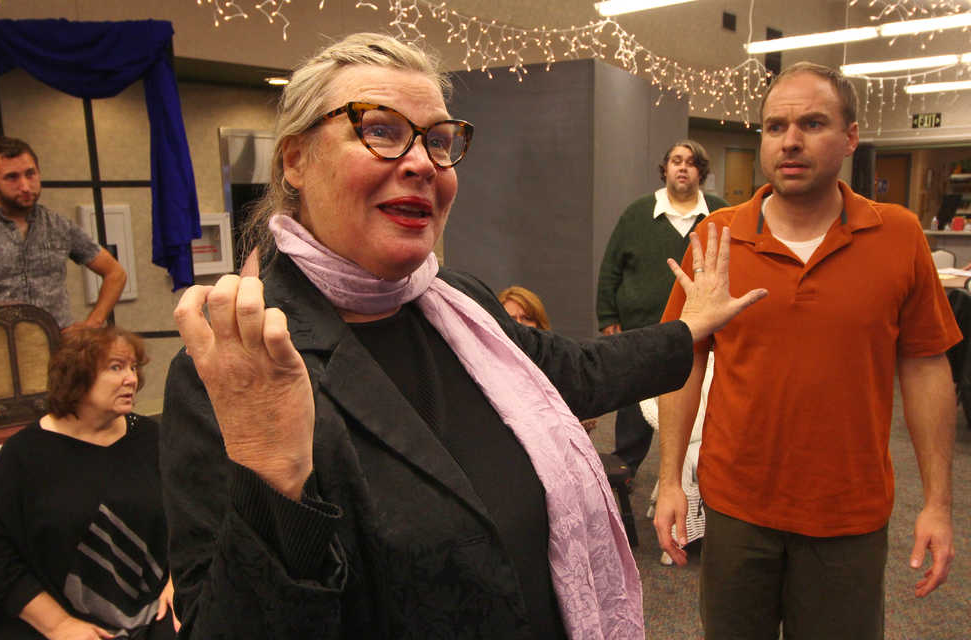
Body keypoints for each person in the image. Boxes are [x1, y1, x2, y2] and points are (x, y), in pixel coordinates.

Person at [160, 33, 765, 640]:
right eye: (381, 130)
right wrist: (272, 478)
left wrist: (687, 329)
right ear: (295, 160)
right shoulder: (240, 365)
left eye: (440, 141)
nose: (423, 162)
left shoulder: (457, 303)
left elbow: (574, 371)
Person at [656, 62, 960, 640]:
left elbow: (925, 367)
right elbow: (684, 360)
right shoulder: (717, 237)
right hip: (737, 506)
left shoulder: (897, 235)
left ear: (850, 137)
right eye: (775, 127)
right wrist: (670, 480)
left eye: (813, 123)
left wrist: (939, 504)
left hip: (848, 512)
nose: (790, 141)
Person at [0, 326, 179, 639]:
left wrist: (178, 583)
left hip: (158, 611)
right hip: (55, 624)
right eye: (116, 367)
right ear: (75, 377)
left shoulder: (151, 438)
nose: (131, 379)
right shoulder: (25, 456)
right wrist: (58, 625)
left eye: (133, 367)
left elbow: (191, 519)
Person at [596, 140, 728, 476]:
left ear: (701, 172)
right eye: (676, 161)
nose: (683, 167)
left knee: (697, 407)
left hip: (700, 334)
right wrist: (608, 316)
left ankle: (696, 474)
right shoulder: (637, 213)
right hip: (640, 329)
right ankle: (625, 468)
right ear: (665, 168)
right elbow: (611, 266)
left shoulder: (720, 214)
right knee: (633, 408)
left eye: (691, 162)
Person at [0, 136, 127, 331]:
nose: (25, 186)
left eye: (30, 174)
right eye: (12, 177)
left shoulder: (58, 225)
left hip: (55, 346)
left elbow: (115, 273)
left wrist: (92, 324)